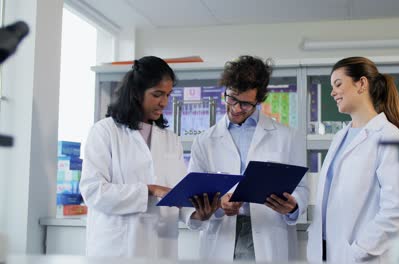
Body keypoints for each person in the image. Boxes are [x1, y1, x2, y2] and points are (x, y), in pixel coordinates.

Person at [79, 56, 218, 259]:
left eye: (168, 95)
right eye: (157, 94)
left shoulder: (171, 140)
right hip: (117, 249)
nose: (164, 102)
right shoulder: (104, 132)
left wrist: (197, 213)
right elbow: (93, 191)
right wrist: (149, 190)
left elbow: (177, 193)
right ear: (136, 93)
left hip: (161, 247)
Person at [186, 55, 309, 262]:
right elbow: (193, 194)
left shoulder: (288, 137)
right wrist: (217, 204)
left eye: (245, 104)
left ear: (258, 100)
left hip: (267, 231)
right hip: (222, 234)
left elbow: (302, 188)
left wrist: (293, 206)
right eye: (232, 98)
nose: (235, 108)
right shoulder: (204, 140)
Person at [307, 57, 399, 263]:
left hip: (361, 256)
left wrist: (361, 250)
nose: (332, 92)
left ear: (361, 83)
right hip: (326, 253)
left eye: (338, 84)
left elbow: (398, 209)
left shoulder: (388, 136)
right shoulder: (340, 137)